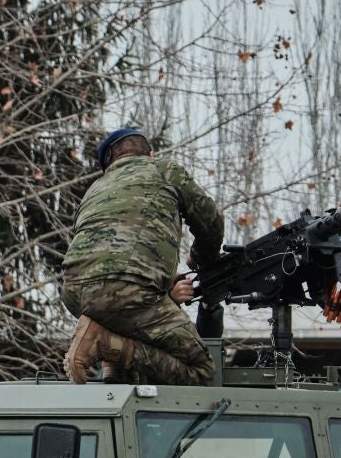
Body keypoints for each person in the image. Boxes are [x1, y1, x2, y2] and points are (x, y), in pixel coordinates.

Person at [62, 127, 224, 386]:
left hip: (74, 295)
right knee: (201, 371)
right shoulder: (163, 169)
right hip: (126, 290)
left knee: (127, 330)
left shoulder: (94, 190)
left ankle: (112, 364)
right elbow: (211, 222)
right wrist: (202, 258)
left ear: (109, 166)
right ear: (151, 154)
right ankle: (105, 345)